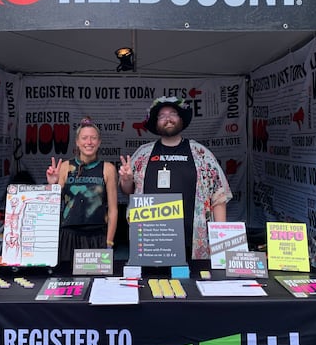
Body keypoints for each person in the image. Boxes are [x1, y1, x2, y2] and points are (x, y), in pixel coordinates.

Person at [119, 96, 232, 259]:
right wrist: (126, 179)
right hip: (152, 242)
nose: (168, 119)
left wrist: (221, 244)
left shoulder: (200, 154)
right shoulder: (143, 154)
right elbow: (128, 191)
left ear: (181, 119)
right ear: (156, 122)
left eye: (173, 113)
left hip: (192, 242)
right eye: (162, 116)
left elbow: (219, 197)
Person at [46, 117, 118, 261]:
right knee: (66, 280)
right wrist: (52, 185)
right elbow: (50, 204)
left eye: (93, 138)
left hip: (97, 237)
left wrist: (109, 242)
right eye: (84, 138)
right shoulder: (65, 167)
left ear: (99, 142)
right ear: (77, 142)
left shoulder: (108, 169)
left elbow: (113, 209)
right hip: (68, 236)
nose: (89, 142)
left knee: (97, 280)